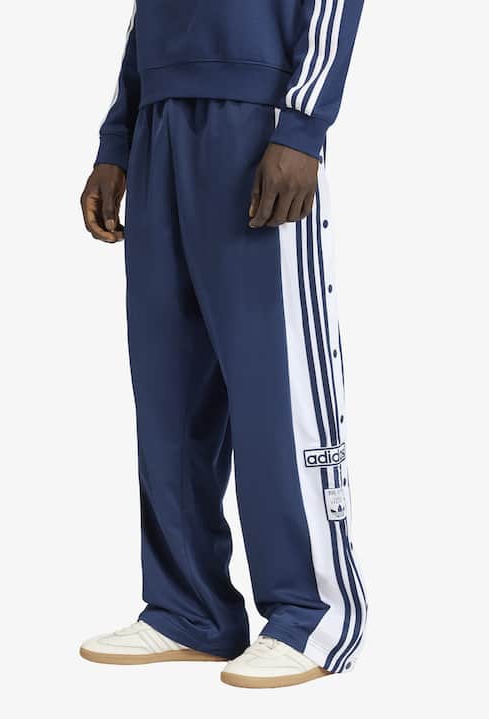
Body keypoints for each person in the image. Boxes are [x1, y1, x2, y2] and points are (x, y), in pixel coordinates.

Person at [80, 0, 366, 689]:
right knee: (169, 382)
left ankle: (313, 614)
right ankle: (189, 608)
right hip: (159, 119)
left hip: (259, 119)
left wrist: (302, 125)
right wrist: (117, 138)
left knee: (276, 381)